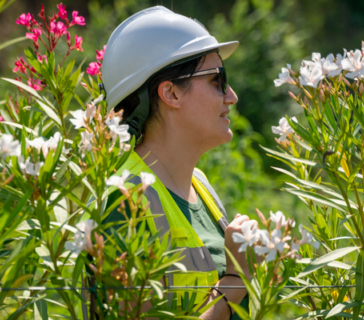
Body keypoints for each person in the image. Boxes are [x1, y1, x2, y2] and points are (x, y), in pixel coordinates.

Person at [101, 6, 256, 319]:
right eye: (217, 79)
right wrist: (237, 279)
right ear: (171, 93)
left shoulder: (201, 186)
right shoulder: (127, 200)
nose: (232, 96)